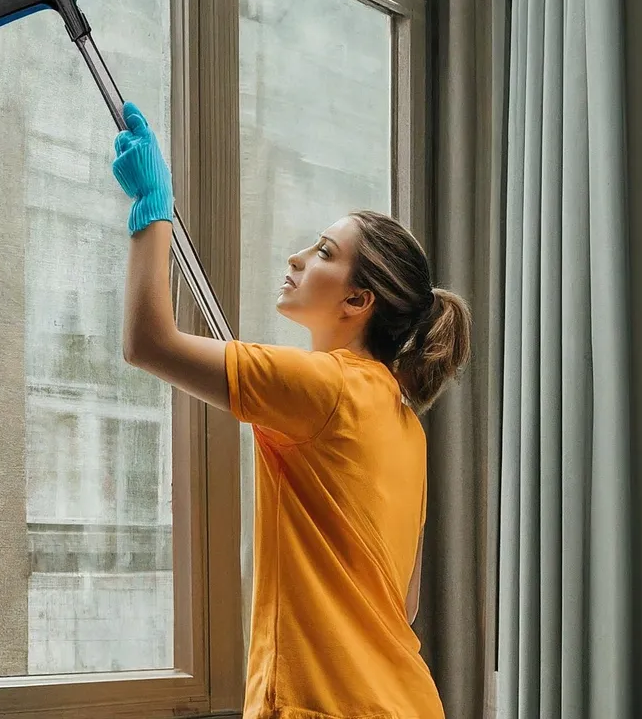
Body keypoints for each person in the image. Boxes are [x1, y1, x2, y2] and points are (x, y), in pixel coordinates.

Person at [111, 103, 472, 719]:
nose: (297, 258)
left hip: (323, 704)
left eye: (324, 252)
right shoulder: (401, 416)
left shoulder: (322, 386)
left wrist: (152, 210)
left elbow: (149, 342)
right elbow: (402, 602)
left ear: (359, 298)